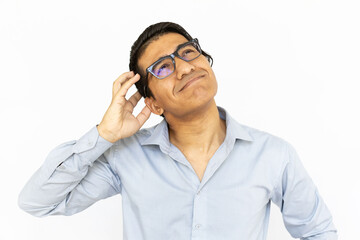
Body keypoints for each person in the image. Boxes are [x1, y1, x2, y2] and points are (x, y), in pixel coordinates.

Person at [18, 22, 338, 239]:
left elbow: (319, 232)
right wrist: (104, 134)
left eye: (187, 52)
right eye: (164, 67)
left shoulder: (273, 154)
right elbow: (37, 202)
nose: (185, 67)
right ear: (153, 103)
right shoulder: (126, 157)